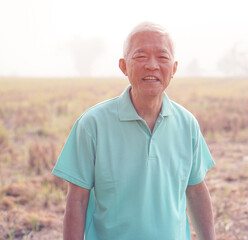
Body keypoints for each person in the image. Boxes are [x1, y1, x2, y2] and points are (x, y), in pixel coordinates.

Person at [52, 22, 216, 240]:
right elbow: (77, 200)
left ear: (174, 68)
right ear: (123, 66)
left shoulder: (187, 124)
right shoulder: (92, 124)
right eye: (140, 56)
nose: (152, 65)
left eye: (162, 57)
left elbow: (196, 191)